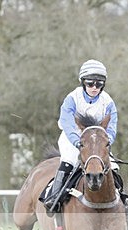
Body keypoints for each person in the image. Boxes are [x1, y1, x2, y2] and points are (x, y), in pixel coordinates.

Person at [42, 59, 119, 215]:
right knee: (69, 162)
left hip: (97, 142)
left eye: (99, 84)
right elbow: (67, 122)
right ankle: (54, 197)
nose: (94, 88)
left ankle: (122, 199)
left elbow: (112, 127)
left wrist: (106, 142)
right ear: (83, 82)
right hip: (73, 139)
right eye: (90, 83)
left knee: (114, 166)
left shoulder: (108, 102)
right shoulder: (72, 98)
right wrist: (77, 142)